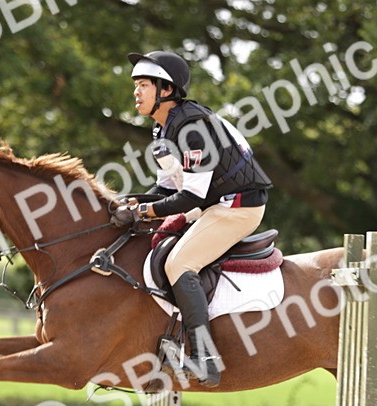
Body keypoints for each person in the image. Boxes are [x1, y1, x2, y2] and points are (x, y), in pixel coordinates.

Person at [117, 50, 273, 388]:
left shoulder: (192, 129)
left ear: (167, 91)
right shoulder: (164, 132)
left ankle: (206, 358)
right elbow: (168, 189)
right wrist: (133, 201)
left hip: (238, 207)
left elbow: (192, 197)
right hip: (215, 205)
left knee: (179, 264)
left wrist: (144, 211)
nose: (136, 92)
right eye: (136, 85)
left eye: (144, 85)